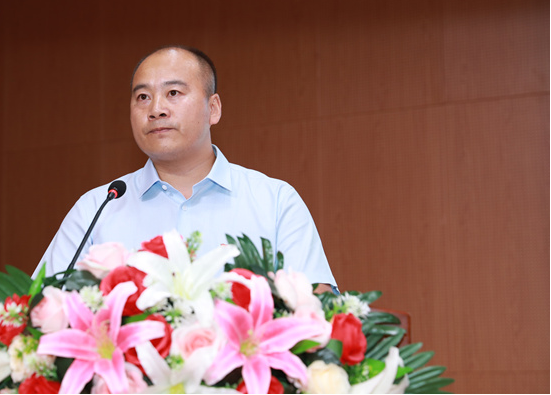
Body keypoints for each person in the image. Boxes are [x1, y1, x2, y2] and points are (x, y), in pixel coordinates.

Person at [34, 45, 337, 293]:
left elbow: (317, 306)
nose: (156, 109)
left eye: (174, 93)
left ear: (213, 109)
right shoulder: (98, 207)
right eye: (143, 97)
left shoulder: (275, 201)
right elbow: (40, 307)